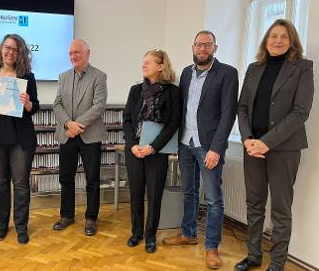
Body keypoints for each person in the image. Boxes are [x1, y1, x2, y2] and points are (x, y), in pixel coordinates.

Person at [235, 19, 314, 271]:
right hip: (252, 147)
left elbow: (301, 112)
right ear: (265, 40)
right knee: (254, 204)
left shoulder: (302, 67)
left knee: (281, 208)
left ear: (292, 41)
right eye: (273, 36)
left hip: (284, 149)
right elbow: (243, 107)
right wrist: (248, 139)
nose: (277, 40)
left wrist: (266, 143)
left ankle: (277, 263)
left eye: (283, 36)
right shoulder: (254, 68)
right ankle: (254, 255)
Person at [162, 30, 238, 269]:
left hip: (209, 146)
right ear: (192, 47)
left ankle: (212, 247)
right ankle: (188, 233)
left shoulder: (227, 73)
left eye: (207, 45)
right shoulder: (186, 73)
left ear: (215, 48)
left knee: (214, 199)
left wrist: (216, 148)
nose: (202, 48)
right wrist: (174, 142)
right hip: (185, 143)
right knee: (189, 192)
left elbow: (228, 113)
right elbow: (181, 109)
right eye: (198, 44)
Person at [0, 34, 39, 245]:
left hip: (20, 140)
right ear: (1, 49)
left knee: (22, 185)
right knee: (1, 184)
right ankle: (2, 225)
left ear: (20, 53)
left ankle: (22, 227)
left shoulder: (27, 76)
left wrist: (28, 104)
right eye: (7, 48)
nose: (10, 52)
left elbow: (36, 106)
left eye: (15, 49)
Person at [123, 49, 180, 253]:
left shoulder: (173, 92)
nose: (144, 64)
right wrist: (132, 145)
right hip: (135, 150)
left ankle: (150, 236)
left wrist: (153, 147)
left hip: (157, 152)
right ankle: (136, 233)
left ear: (161, 66)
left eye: (148, 61)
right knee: (136, 194)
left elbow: (173, 123)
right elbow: (127, 119)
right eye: (143, 61)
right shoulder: (135, 90)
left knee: (154, 197)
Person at [52, 38, 107, 236]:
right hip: (67, 134)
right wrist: (69, 123)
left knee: (92, 179)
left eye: (77, 52)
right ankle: (67, 215)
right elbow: (57, 104)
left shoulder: (99, 76)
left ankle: (91, 218)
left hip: (89, 136)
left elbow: (99, 106)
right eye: (70, 53)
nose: (73, 56)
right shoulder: (63, 76)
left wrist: (77, 126)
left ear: (88, 53)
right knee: (66, 177)